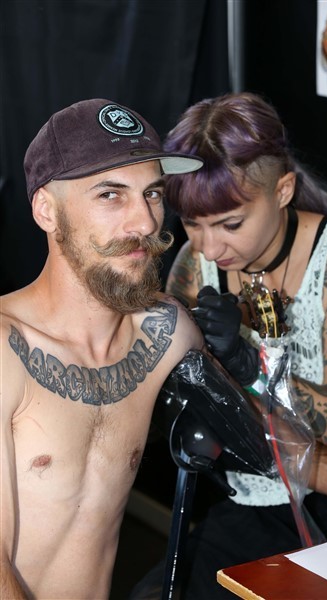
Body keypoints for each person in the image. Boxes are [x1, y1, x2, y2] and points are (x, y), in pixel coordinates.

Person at [132, 92, 327, 599]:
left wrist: (245, 363)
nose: (209, 246)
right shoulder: (195, 266)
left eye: (230, 224)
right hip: (261, 488)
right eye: (191, 223)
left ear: (283, 191)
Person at [0, 98, 209, 599]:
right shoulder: (5, 350)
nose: (146, 222)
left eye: (152, 193)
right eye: (111, 194)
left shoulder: (167, 332)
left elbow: (264, 438)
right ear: (47, 210)